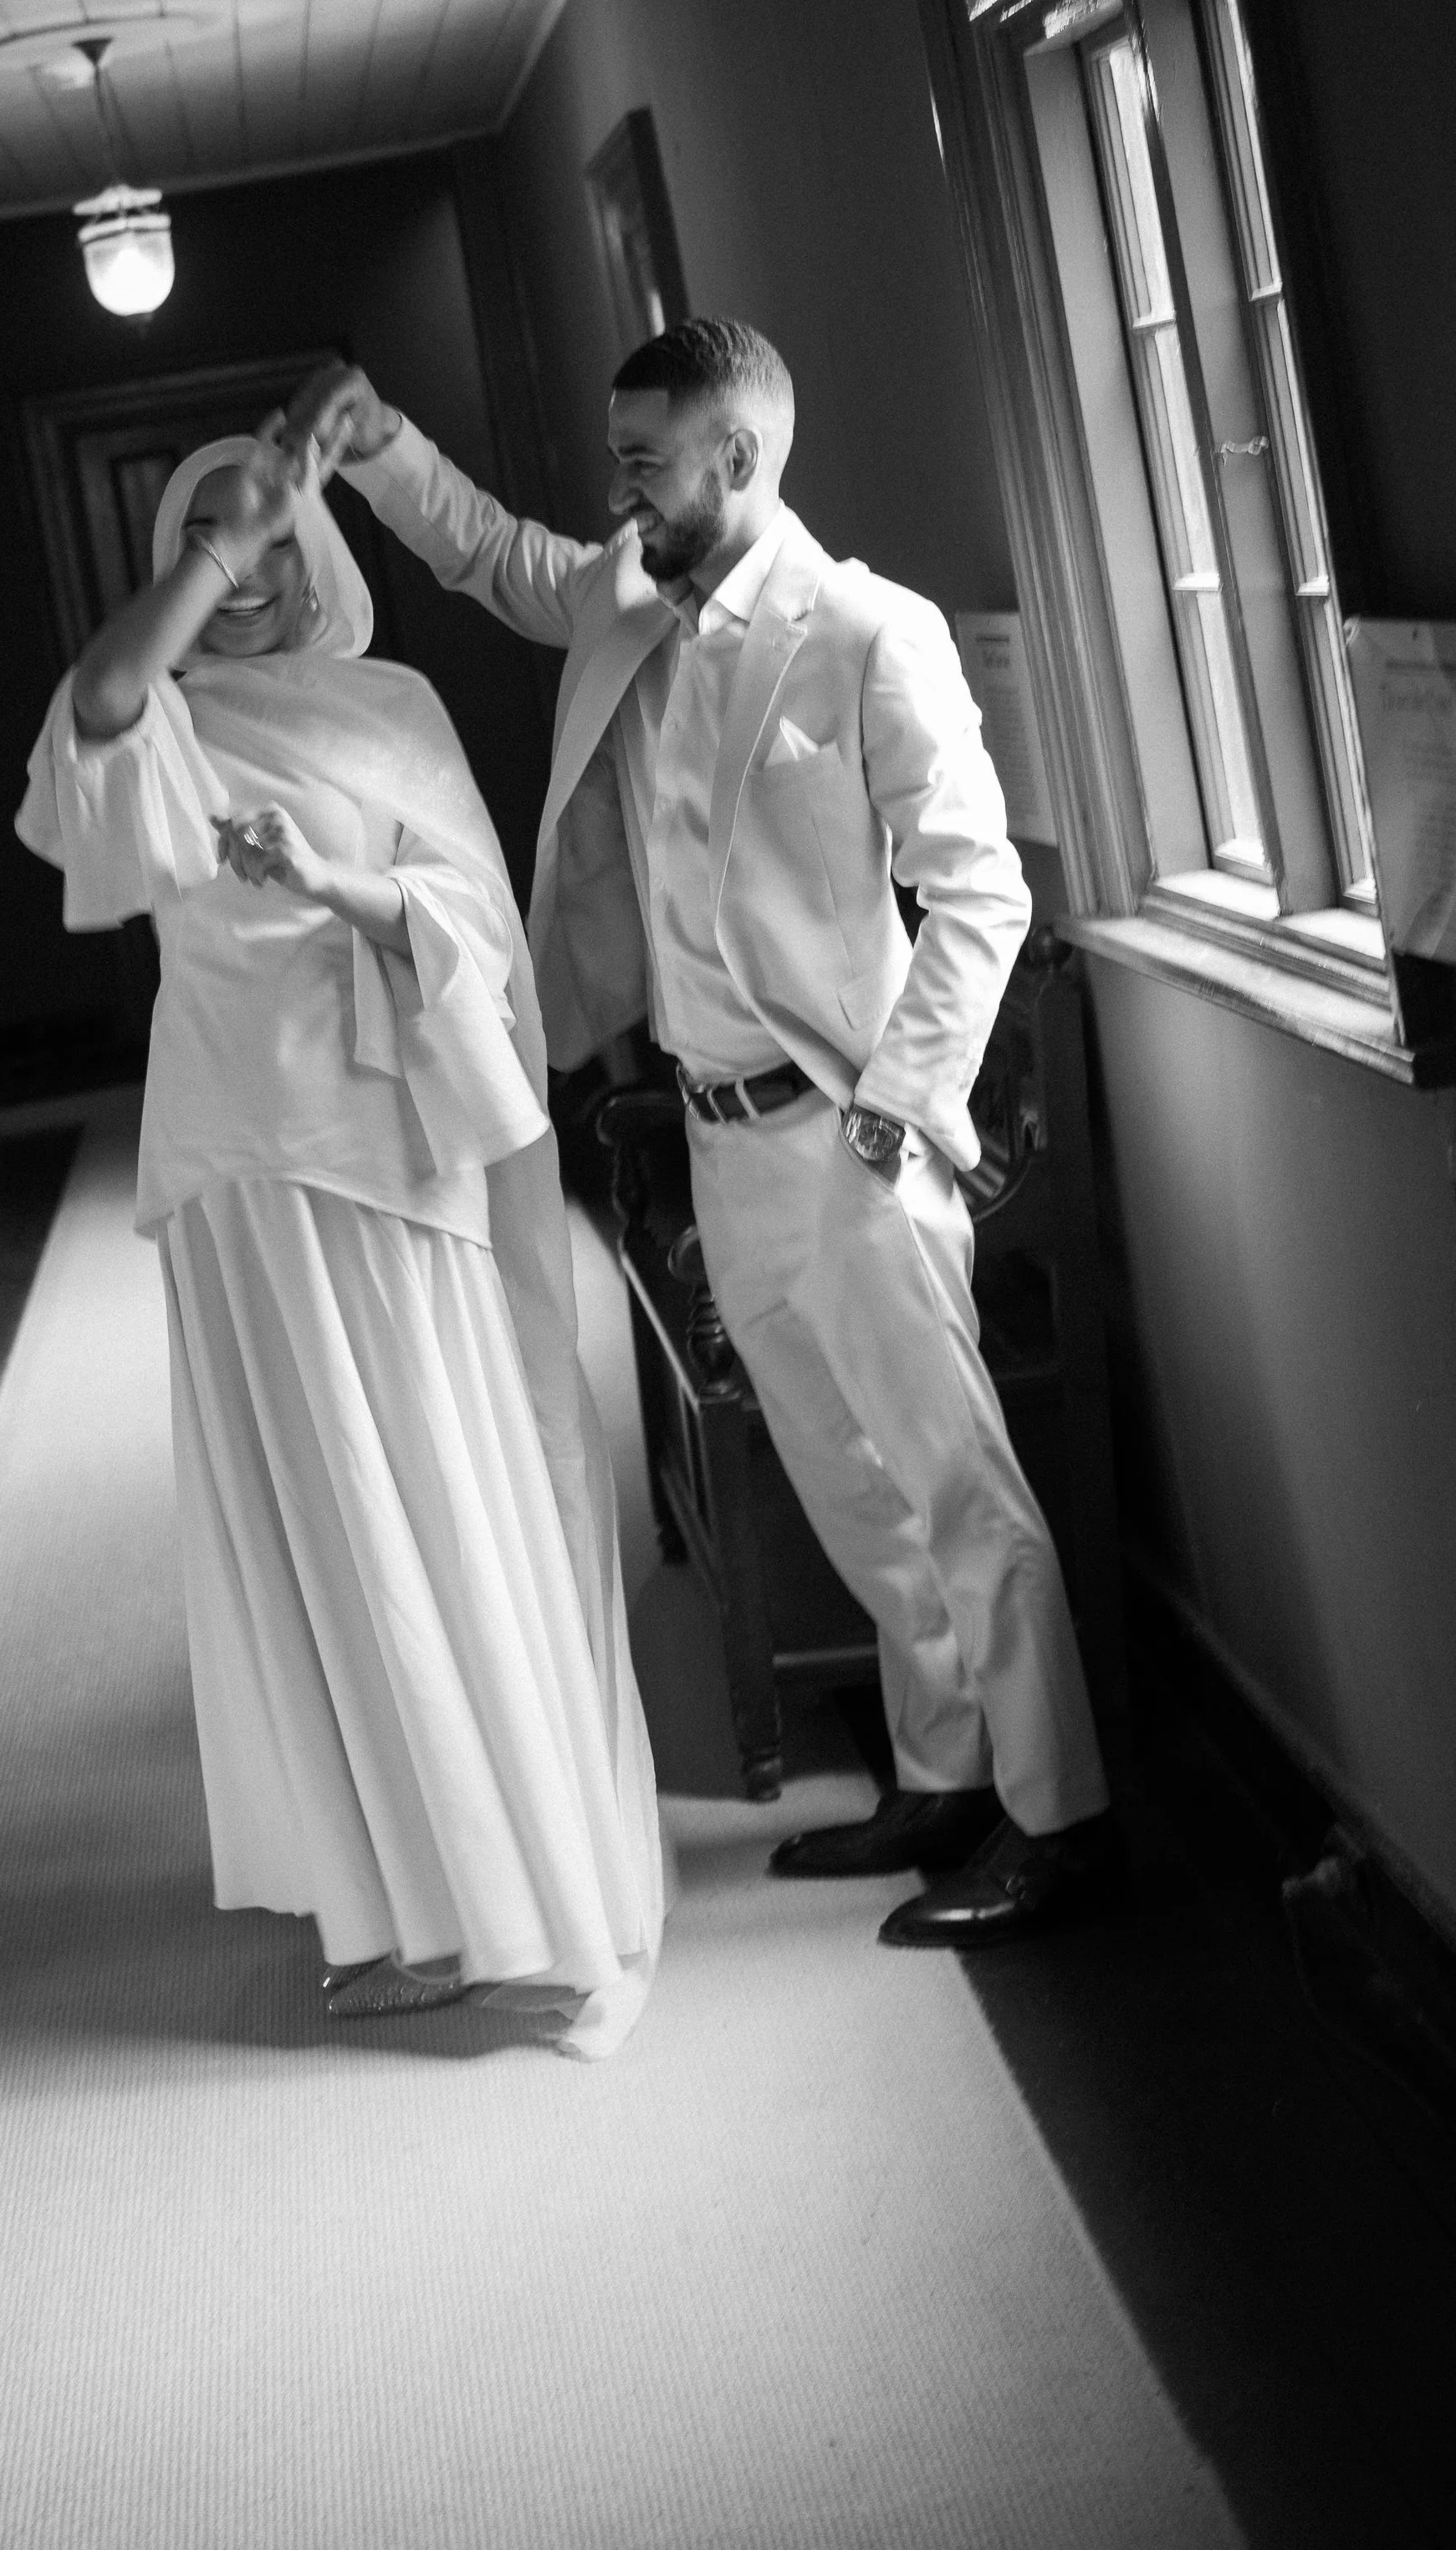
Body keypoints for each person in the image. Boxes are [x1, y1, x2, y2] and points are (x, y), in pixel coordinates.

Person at [289, 323, 1115, 1949]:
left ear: (736, 457)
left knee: (955, 1485)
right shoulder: (626, 595)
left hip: (851, 1133)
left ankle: (1059, 1820)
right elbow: (492, 556)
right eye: (616, 461)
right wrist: (376, 440)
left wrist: (895, 1115)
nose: (618, 489)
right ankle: (943, 1775)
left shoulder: (864, 633)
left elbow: (980, 891)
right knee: (846, 1486)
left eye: (643, 461)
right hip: (718, 1134)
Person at [14, 429, 663, 2054]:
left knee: (430, 1494)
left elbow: (472, 929)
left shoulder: (394, 710)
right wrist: (211, 548)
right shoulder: (161, 717)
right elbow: (99, 703)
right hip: (236, 1164)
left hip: (386, 1147)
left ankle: (511, 1897)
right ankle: (406, 1904)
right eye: (216, 545)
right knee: (321, 1524)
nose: (251, 575)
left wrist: (329, 883)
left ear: (324, 554)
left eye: (274, 541)